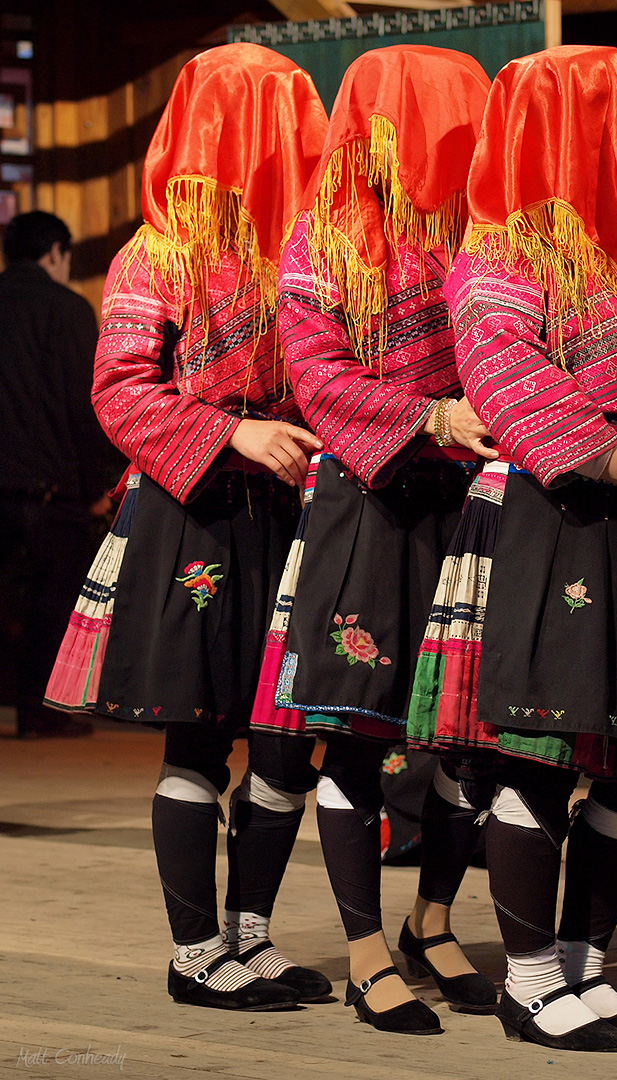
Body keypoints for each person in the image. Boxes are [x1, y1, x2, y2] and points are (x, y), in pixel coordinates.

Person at [406, 46, 617, 1053]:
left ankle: (583, 964)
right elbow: (500, 372)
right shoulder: (497, 249)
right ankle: (529, 981)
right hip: (549, 508)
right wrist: (615, 462)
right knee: (534, 751)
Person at [249, 45, 499, 1035]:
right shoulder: (324, 239)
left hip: (475, 502)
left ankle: (432, 922)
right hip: (373, 496)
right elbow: (315, 379)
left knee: (470, 736)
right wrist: (434, 419)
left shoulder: (488, 233)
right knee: (355, 730)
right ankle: (362, 948)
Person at [83, 44, 332, 1011]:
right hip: (197, 518)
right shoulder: (156, 254)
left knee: (283, 742)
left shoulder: (311, 248)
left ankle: (252, 939)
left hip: (294, 517)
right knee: (196, 740)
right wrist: (235, 431)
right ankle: (196, 954)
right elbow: (118, 395)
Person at [0, 210, 113, 739]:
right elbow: (83, 404)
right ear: (54, 252)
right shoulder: (65, 309)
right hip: (48, 489)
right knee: (53, 602)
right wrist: (97, 488)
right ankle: (39, 711)